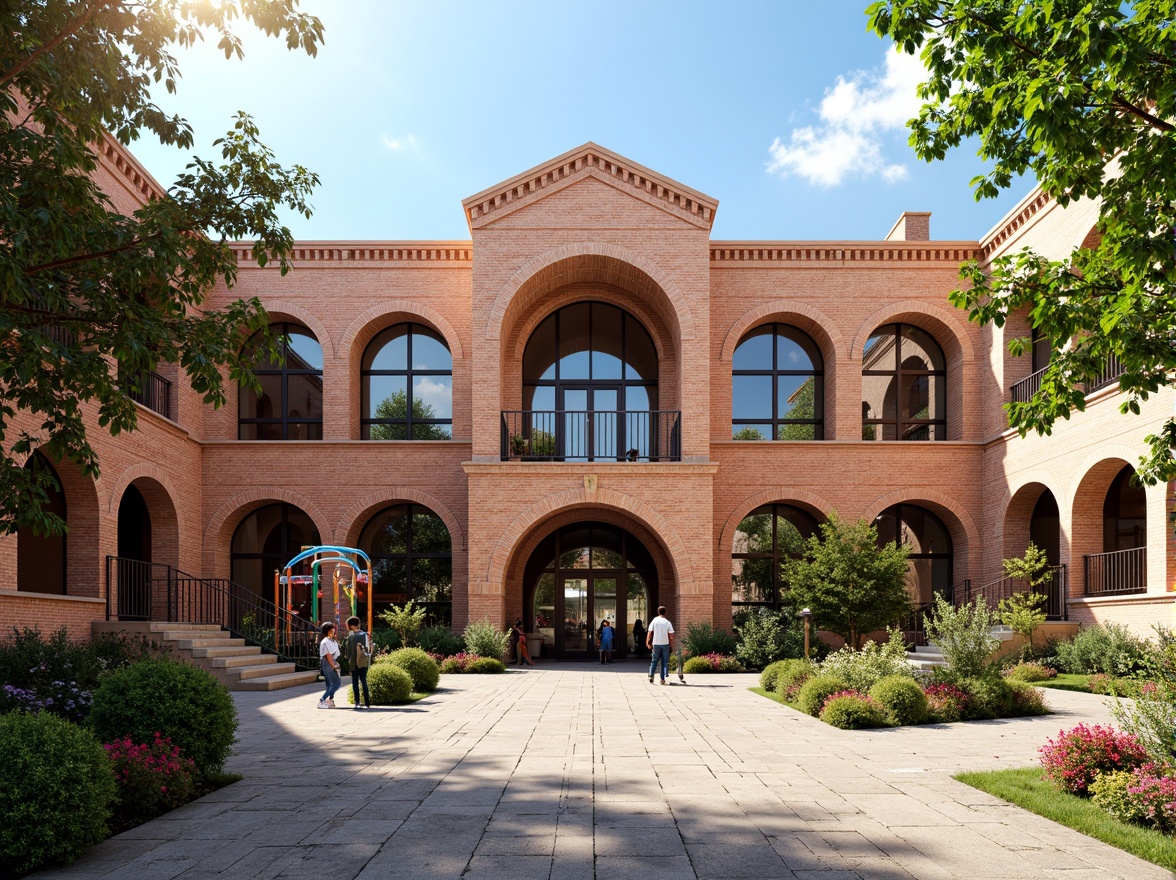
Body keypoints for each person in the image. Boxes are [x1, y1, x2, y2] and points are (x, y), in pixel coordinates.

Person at [345, 616, 371, 709]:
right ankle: (367, 702)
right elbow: (368, 649)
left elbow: (347, 652)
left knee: (355, 683)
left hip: (352, 663)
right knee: (364, 681)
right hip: (362, 662)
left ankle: (357, 702)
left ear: (352, 626)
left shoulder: (349, 637)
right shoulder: (364, 635)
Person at [645, 606, 674, 685]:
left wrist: (647, 642)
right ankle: (663, 678)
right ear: (666, 613)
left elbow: (650, 632)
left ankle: (651, 675)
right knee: (664, 662)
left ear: (658, 612)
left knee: (654, 661)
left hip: (656, 644)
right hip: (665, 644)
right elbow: (671, 635)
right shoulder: (667, 622)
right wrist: (671, 645)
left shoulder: (654, 621)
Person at [318, 621, 341, 708]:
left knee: (330, 684)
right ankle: (322, 700)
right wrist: (333, 666)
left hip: (331, 662)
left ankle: (330, 700)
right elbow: (328, 655)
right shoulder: (325, 642)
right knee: (336, 683)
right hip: (328, 663)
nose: (334, 630)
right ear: (328, 630)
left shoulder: (331, 640)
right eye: (332, 628)